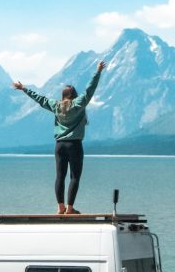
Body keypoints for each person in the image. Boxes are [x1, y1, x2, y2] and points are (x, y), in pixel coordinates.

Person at [13, 61, 106, 214]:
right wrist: (98, 71)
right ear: (74, 95)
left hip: (59, 145)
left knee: (59, 177)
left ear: (62, 96)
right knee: (74, 177)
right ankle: (70, 209)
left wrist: (23, 88)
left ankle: (60, 207)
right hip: (74, 145)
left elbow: (39, 98)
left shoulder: (55, 105)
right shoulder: (79, 103)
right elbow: (90, 89)